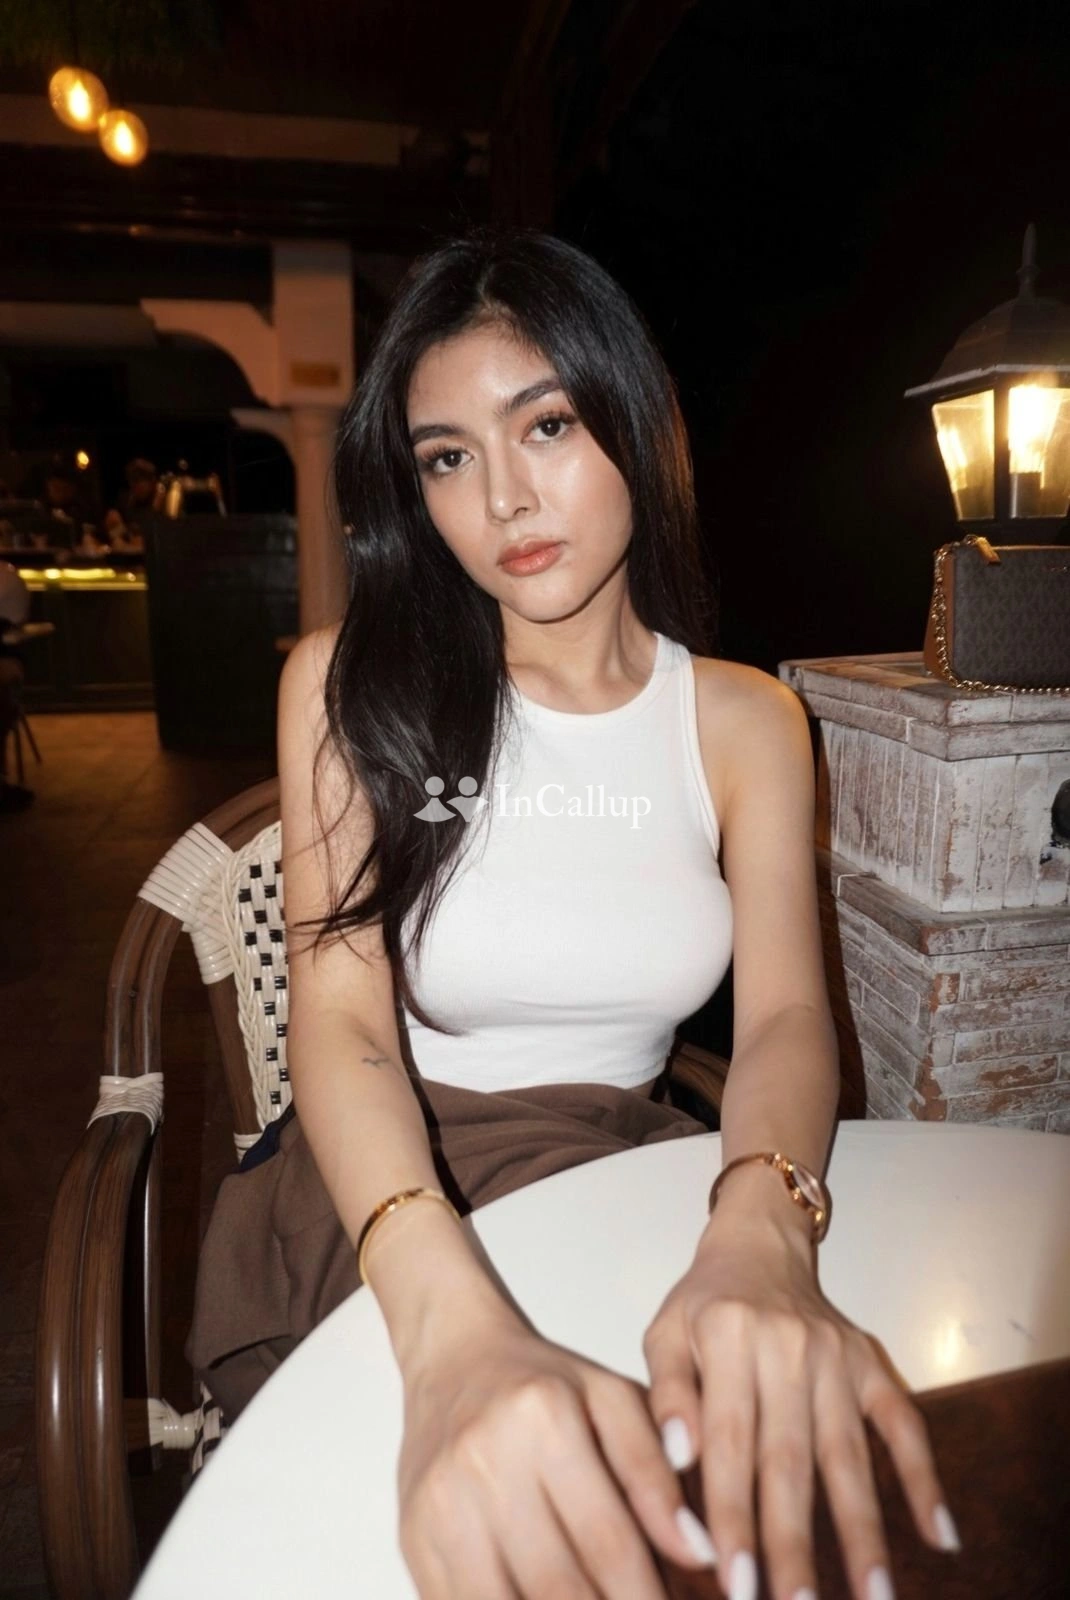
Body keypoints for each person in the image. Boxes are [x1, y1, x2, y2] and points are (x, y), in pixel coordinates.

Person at [187, 230, 957, 1600]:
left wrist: (761, 1228)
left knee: (783, 1482)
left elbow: (787, 1015)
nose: (502, 498)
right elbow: (342, 1024)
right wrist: (446, 1323)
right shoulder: (350, 685)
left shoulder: (744, 719)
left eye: (545, 425)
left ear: (633, 421)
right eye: (446, 457)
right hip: (389, 1180)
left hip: (623, 1166)